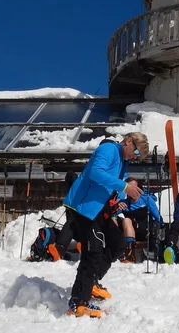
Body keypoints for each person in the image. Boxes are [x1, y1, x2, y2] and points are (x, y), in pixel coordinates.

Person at [63, 133, 148, 318]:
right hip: (82, 206)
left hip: (98, 209)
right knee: (92, 251)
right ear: (127, 141)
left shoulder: (122, 160)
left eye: (138, 156)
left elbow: (109, 186)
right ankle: (78, 302)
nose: (134, 156)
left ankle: (91, 282)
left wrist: (125, 195)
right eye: (135, 151)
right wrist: (125, 187)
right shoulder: (108, 149)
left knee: (118, 243)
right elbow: (95, 172)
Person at [116, 180, 163, 263]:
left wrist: (159, 229)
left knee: (127, 220)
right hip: (130, 232)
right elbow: (112, 215)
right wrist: (117, 208)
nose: (132, 190)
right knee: (125, 220)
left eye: (134, 188)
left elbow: (157, 216)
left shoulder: (146, 199)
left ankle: (130, 253)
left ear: (139, 189)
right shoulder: (123, 203)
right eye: (129, 188)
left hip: (145, 231)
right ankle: (129, 252)